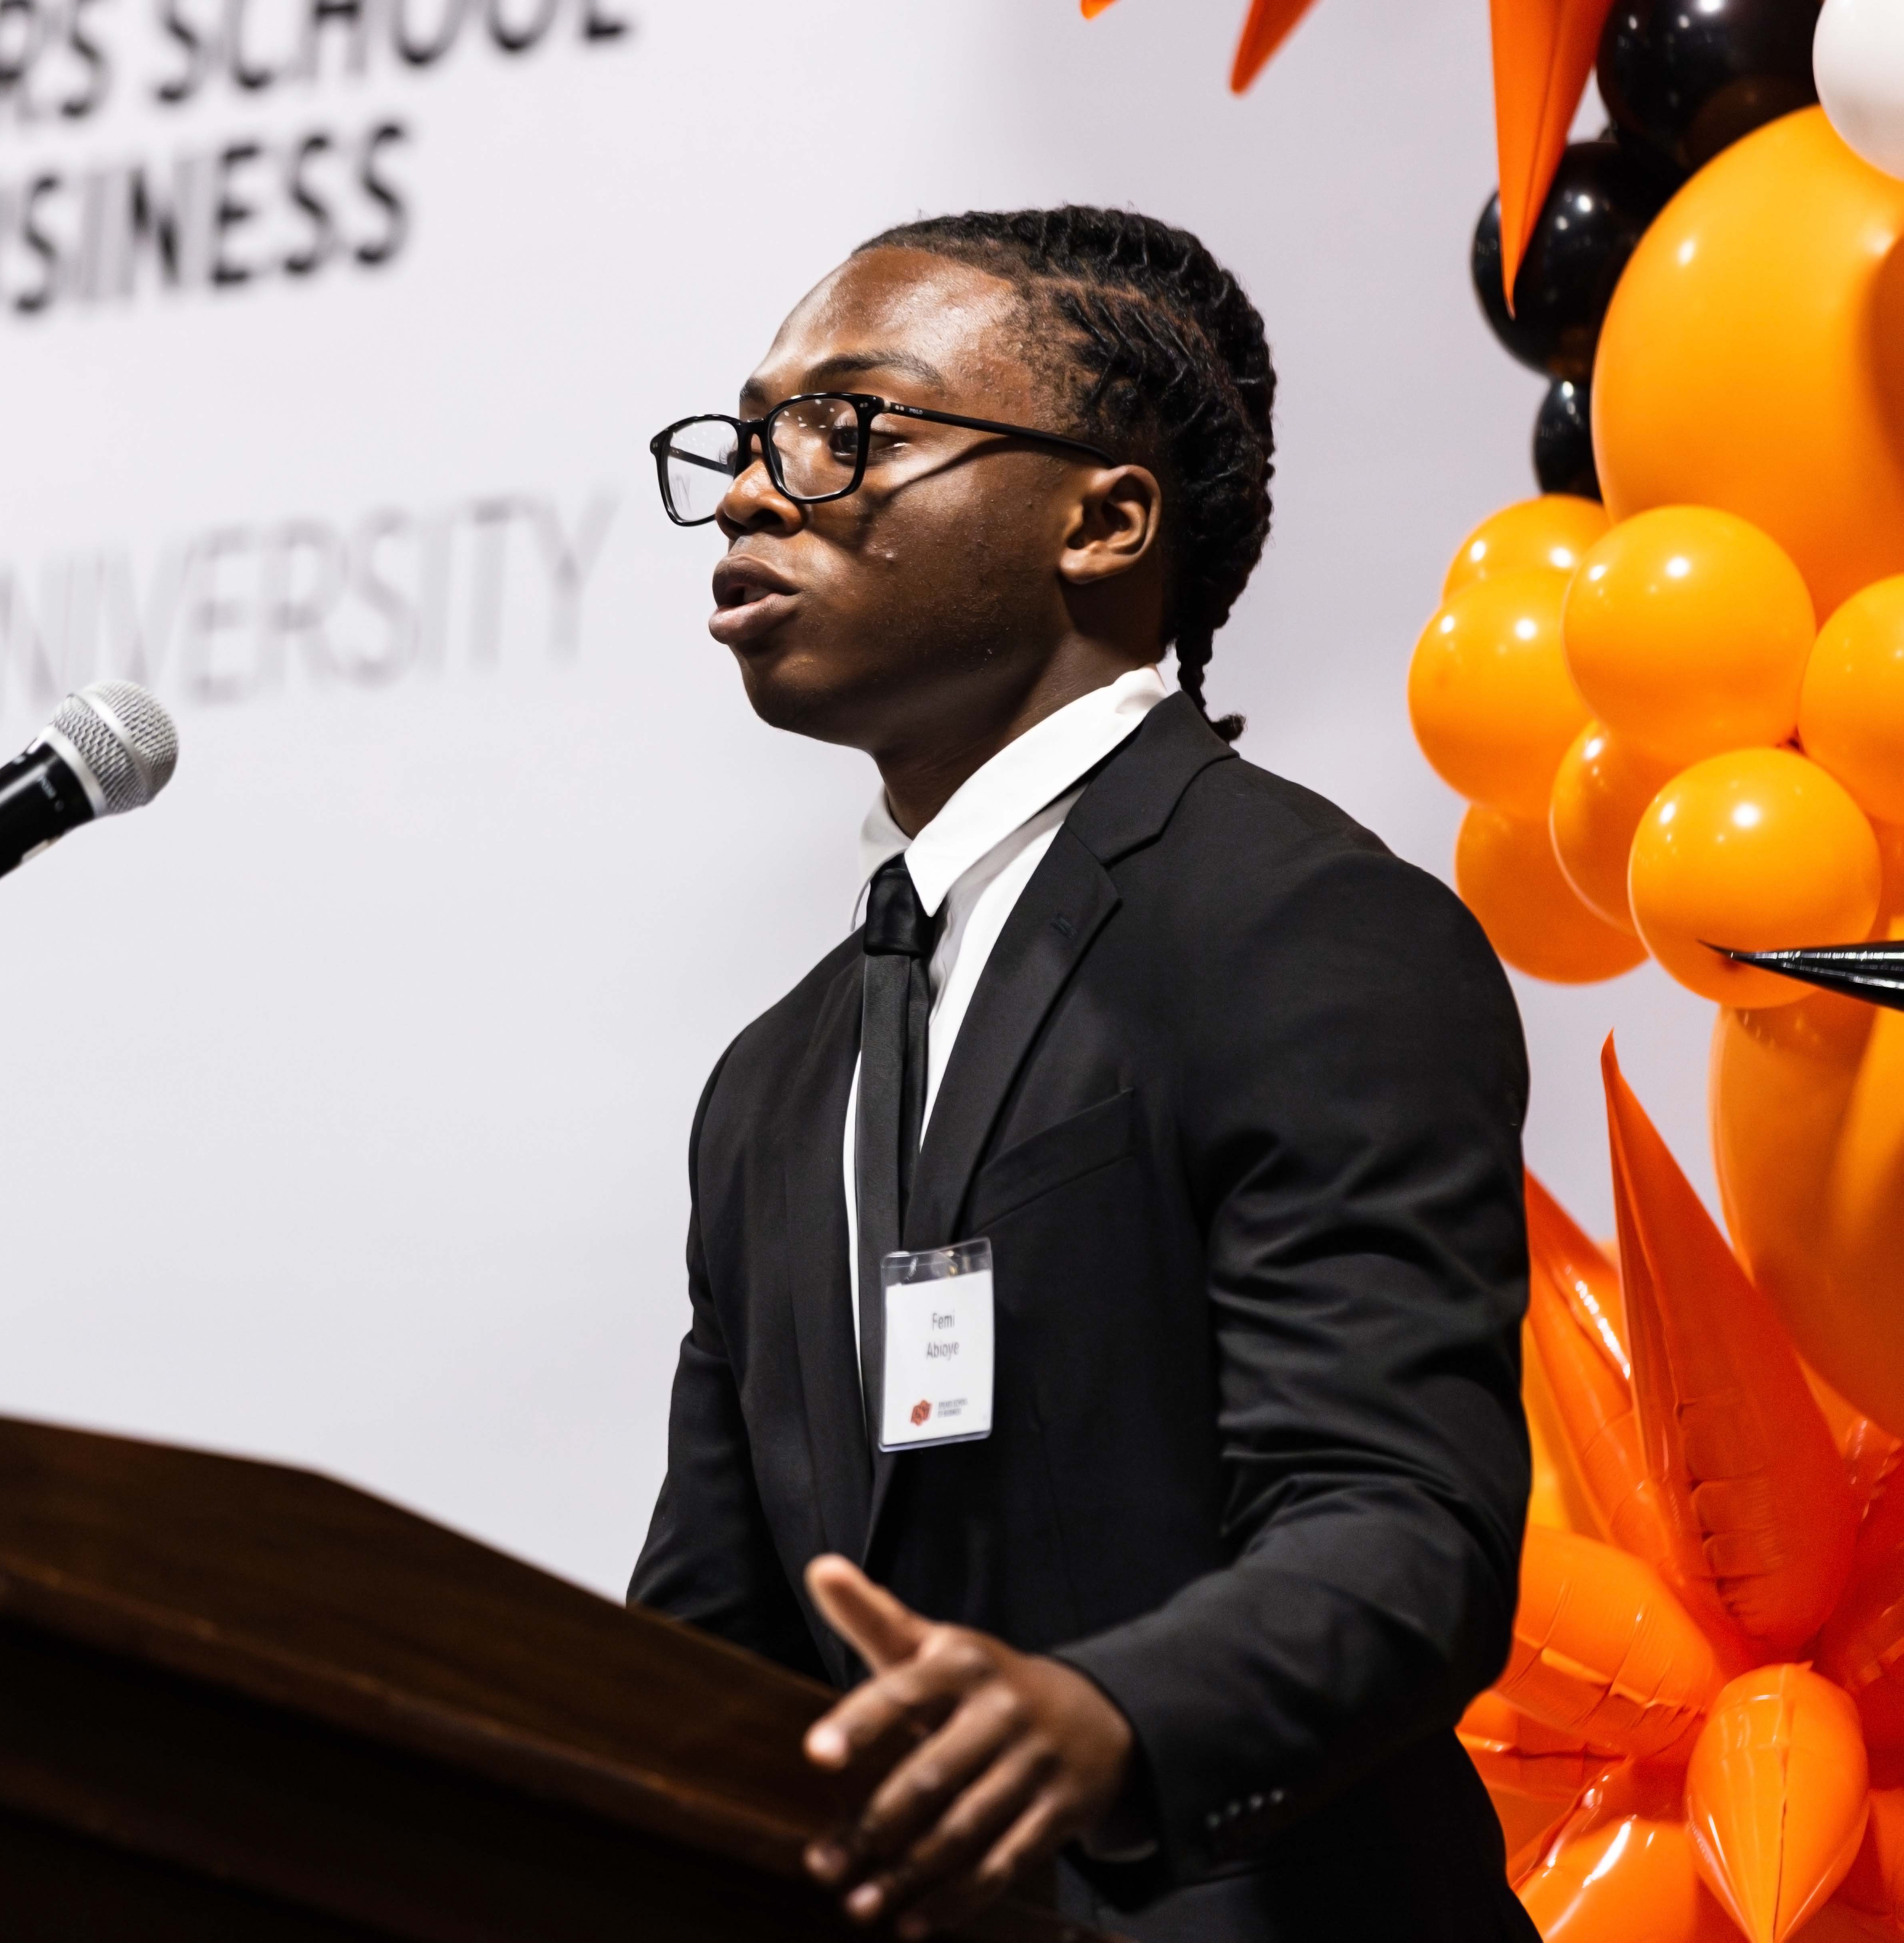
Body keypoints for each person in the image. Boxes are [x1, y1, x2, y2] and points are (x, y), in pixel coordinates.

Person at [627, 207, 1535, 1943]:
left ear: (1107, 520)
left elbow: (1398, 1526)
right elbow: (701, 1650)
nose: (756, 487)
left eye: (852, 431)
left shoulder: (1303, 927)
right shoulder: (774, 1079)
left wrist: (1105, 1721)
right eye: (749, 438)